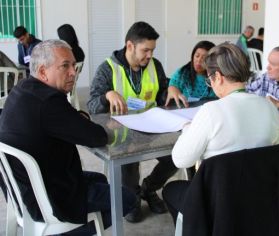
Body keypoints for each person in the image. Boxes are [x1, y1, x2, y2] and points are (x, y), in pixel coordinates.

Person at [0, 39, 135, 235]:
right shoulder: (49, 102)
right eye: (65, 66)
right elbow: (97, 137)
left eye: (73, 65)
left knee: (99, 177)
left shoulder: (23, 89)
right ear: (43, 71)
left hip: (23, 190)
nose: (73, 72)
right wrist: (80, 118)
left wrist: (77, 118)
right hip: (48, 198)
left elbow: (72, 122)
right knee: (127, 198)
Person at [162, 42, 279, 223]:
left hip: (219, 203)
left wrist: (188, 128)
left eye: (209, 79)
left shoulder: (211, 111)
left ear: (217, 77)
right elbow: (274, 149)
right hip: (259, 198)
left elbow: (180, 160)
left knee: (171, 190)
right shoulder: (269, 107)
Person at [87, 21, 177, 223]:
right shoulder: (107, 69)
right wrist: (106, 95)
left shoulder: (155, 65)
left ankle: (149, 188)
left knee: (177, 156)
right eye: (145, 50)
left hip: (152, 128)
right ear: (130, 46)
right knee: (129, 162)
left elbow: (162, 91)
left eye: (152, 50)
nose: (150, 55)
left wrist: (170, 89)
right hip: (122, 133)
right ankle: (132, 196)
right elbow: (92, 106)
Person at [165, 40, 216, 108]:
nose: (199, 60)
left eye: (204, 58)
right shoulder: (182, 73)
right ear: (192, 56)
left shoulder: (216, 77)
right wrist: (173, 89)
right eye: (197, 56)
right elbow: (173, 86)